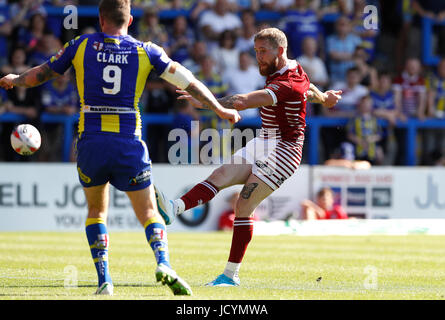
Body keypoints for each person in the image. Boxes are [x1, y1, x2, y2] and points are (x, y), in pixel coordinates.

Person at [0, 0, 241, 295]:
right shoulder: (146, 50)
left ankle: (104, 281)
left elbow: (45, 73)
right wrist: (218, 108)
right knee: (150, 212)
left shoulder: (81, 44)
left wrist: (16, 79)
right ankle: (163, 262)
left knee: (96, 211)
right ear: (129, 21)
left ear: (101, 19)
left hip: (91, 142)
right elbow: (188, 81)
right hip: (129, 142)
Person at [155, 28, 342, 287]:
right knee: (219, 176)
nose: (259, 58)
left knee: (243, 206)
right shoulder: (294, 70)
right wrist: (325, 98)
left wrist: (207, 102)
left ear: (279, 51)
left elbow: (242, 101)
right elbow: (308, 89)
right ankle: (174, 209)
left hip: (284, 150)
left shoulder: (285, 83)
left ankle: (230, 276)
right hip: (264, 139)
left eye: (263, 52)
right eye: (256, 52)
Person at [346, 95, 384, 165]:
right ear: (360, 105)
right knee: (348, 149)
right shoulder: (354, 119)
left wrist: (371, 139)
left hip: (371, 145)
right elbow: (349, 134)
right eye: (364, 104)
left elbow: (379, 134)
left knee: (379, 151)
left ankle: (379, 171)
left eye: (368, 104)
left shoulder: (375, 119)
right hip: (357, 145)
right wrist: (360, 141)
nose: (365, 106)